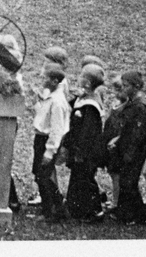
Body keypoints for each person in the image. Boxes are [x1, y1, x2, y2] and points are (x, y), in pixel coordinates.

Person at [63, 64, 106, 223]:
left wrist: (80, 151)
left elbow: (87, 133)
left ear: (87, 83)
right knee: (78, 177)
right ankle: (77, 208)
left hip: (86, 151)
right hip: (78, 149)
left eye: (81, 75)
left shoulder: (90, 106)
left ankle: (95, 210)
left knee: (86, 179)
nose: (78, 77)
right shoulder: (84, 98)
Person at [111, 69, 146, 225]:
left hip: (135, 152)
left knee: (129, 182)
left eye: (126, 85)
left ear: (136, 87)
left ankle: (135, 214)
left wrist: (130, 152)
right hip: (127, 148)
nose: (123, 88)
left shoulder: (140, 108)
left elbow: (138, 134)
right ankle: (127, 212)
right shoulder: (131, 104)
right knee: (125, 181)